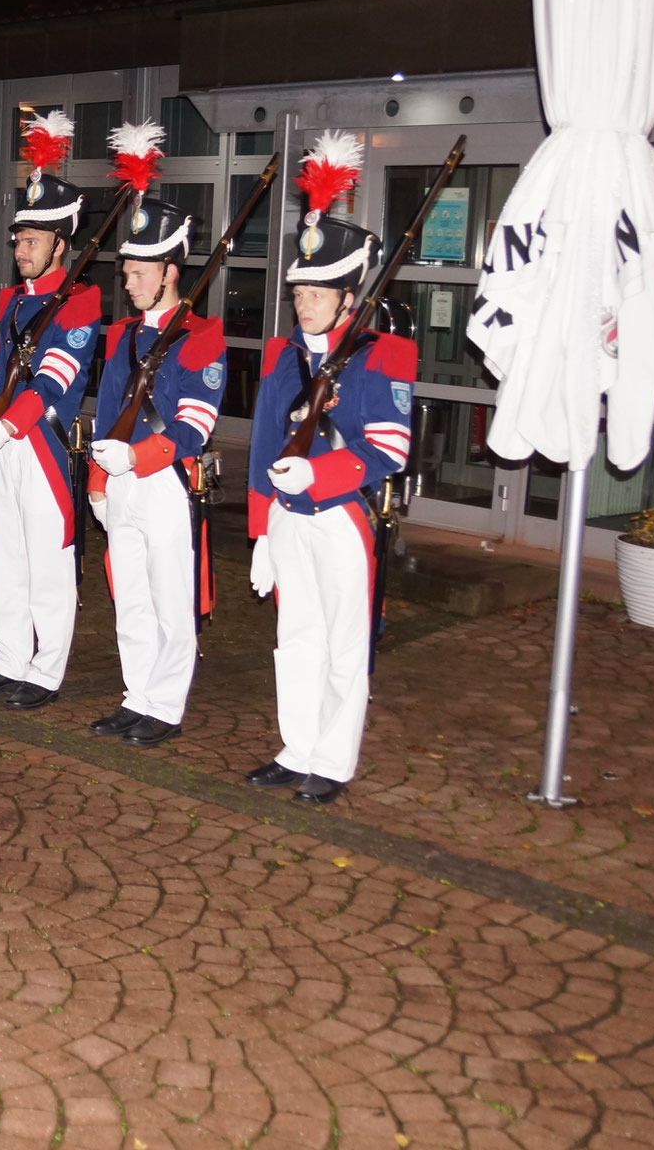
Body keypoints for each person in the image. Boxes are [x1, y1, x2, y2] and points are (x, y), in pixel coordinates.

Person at [246, 133, 413, 806]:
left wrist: (321, 475)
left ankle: (334, 760)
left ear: (349, 296)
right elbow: (263, 443)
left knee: (345, 644)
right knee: (297, 638)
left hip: (342, 515)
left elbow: (389, 448)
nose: (303, 300)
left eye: (317, 291)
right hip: (288, 520)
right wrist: (261, 525)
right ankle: (297, 746)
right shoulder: (282, 355)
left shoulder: (385, 354)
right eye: (300, 289)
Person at [87, 135, 227, 747]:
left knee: (173, 602)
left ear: (172, 271)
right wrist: (98, 478)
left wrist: (139, 458)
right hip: (119, 482)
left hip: (166, 481)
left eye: (139, 272)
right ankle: (137, 693)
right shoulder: (120, 335)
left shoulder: (202, 336)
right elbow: (104, 415)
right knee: (132, 598)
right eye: (126, 270)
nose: (128, 280)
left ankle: (166, 706)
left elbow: (194, 424)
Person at [0, 114, 106, 710]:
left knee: (47, 563)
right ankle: (7, 660)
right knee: (6, 558)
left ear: (61, 245)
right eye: (18, 239)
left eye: (31, 241)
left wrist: (5, 425)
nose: (19, 249)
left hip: (41, 446)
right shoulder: (14, 303)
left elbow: (51, 383)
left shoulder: (79, 306)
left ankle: (45, 672)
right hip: (4, 442)